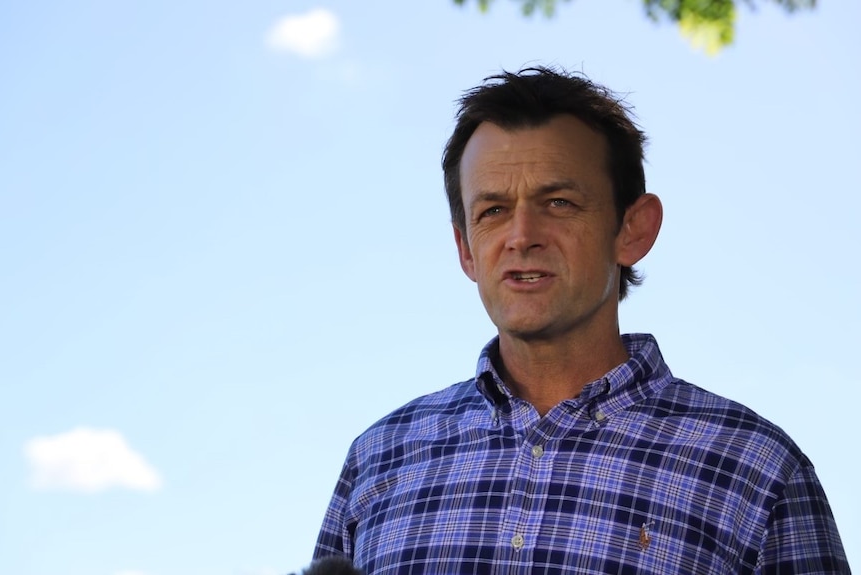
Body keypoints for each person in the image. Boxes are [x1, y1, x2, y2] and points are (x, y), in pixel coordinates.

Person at [313, 67, 850, 574]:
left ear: (633, 229)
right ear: (466, 250)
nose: (522, 235)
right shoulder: (378, 461)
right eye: (493, 211)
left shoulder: (757, 469)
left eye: (560, 202)